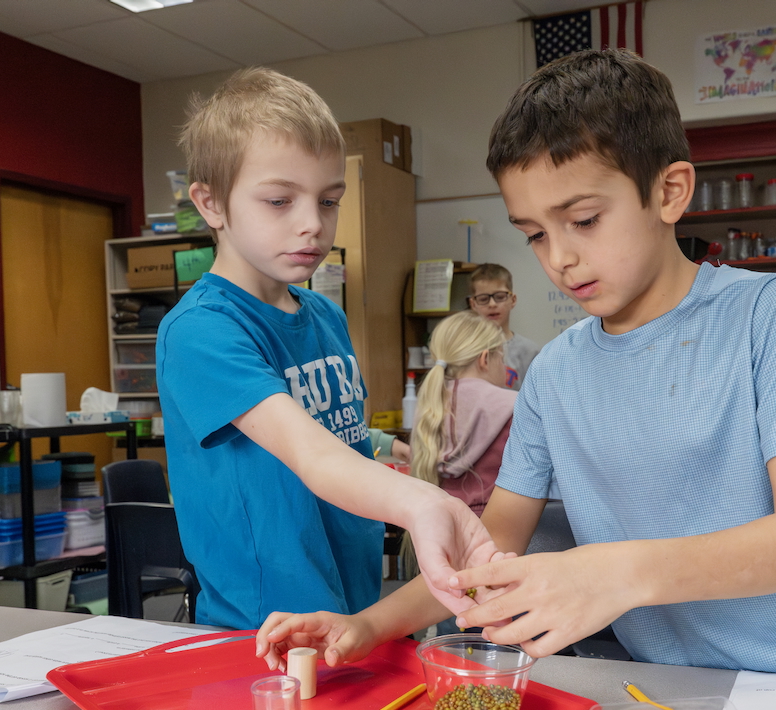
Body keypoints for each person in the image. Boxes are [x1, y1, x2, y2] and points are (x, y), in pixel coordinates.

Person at [256, 50, 776, 686]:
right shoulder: (554, 374)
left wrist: (616, 572)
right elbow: (491, 544)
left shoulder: (769, 312)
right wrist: (370, 625)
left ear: (669, 192)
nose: (559, 260)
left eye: (583, 219)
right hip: (679, 690)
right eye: (535, 235)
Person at [156, 67, 501, 631]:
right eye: (278, 201)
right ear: (211, 204)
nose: (312, 225)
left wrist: (384, 450)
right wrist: (423, 503)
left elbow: (334, 434)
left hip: (355, 604)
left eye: (329, 200)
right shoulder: (200, 331)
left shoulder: (326, 315)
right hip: (265, 624)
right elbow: (311, 455)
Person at [410, 311, 517, 515]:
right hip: (500, 531)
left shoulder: (429, 404)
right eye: (501, 359)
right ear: (485, 359)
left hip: (440, 526)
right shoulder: (515, 406)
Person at [467, 263, 540, 390]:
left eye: (500, 297)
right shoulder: (464, 349)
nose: (492, 304)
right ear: (473, 304)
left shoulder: (530, 352)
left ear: (513, 300)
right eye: (483, 299)